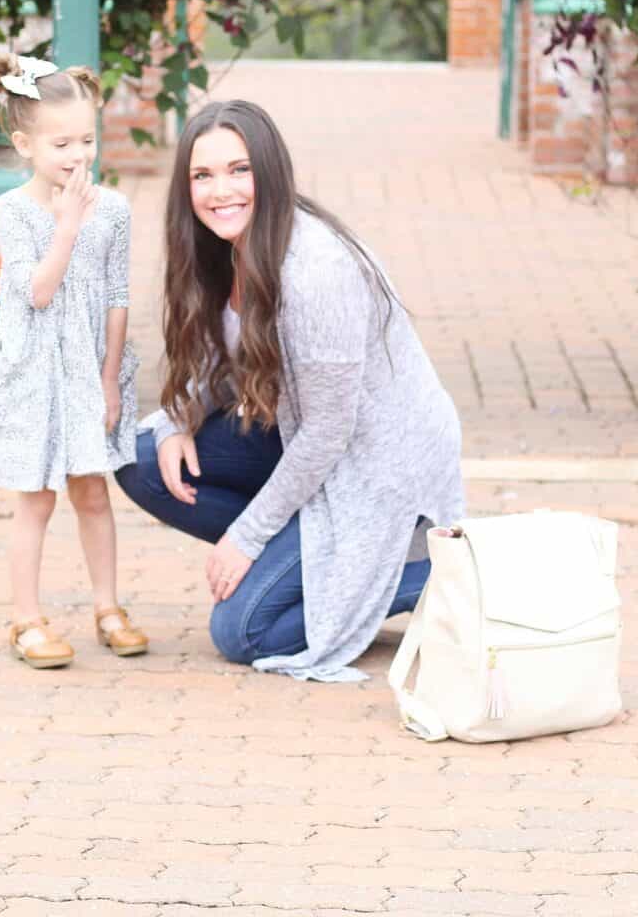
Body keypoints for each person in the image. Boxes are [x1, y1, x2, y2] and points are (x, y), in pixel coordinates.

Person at [116, 100, 463, 682]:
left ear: (271, 173)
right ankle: (309, 556)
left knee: (242, 631)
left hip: (376, 467)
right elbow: (222, 364)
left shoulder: (315, 270)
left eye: (239, 170)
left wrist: (246, 539)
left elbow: (332, 431)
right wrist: (180, 419)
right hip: (307, 440)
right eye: (203, 176)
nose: (219, 191)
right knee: (141, 457)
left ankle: (427, 573)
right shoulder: (226, 245)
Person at [0, 53, 148, 669]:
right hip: (30, 371)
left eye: (87, 140)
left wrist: (109, 382)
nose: (78, 155)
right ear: (25, 144)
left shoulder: (116, 210)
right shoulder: (13, 211)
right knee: (36, 497)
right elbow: (37, 292)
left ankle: (107, 606)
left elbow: (117, 297)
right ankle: (26, 618)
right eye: (61, 143)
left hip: (85, 369)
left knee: (92, 491)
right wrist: (67, 225)